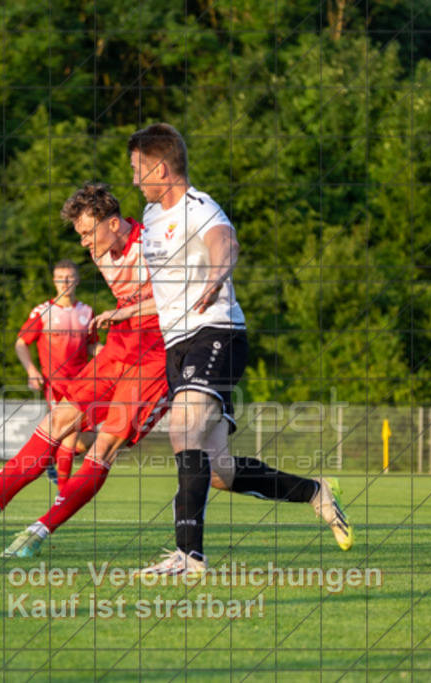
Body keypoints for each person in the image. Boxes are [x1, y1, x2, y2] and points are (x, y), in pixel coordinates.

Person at [128, 123, 354, 575]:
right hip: (178, 346)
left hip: (216, 334)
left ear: (160, 168)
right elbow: (171, 289)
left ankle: (188, 556)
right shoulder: (151, 218)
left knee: (182, 430)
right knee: (217, 471)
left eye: (137, 169)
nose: (134, 179)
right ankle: (315, 492)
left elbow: (225, 243)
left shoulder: (200, 207)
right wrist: (125, 311)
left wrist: (217, 277)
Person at [0, 183, 169, 558]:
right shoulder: (100, 252)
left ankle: (38, 532)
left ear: (113, 223)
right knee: (57, 421)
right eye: (80, 235)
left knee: (105, 445)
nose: (84, 243)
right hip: (121, 345)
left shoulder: (156, 243)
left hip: (158, 354)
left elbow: (183, 298)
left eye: (88, 232)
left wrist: (124, 312)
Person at [15, 259, 98, 487]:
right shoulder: (43, 311)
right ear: (54, 281)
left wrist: (116, 357)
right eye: (60, 278)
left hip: (82, 384)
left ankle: (50, 461)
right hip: (56, 384)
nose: (65, 282)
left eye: (69, 277)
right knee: (70, 434)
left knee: (89, 438)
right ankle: (63, 493)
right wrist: (31, 370)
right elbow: (21, 342)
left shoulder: (87, 311)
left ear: (77, 280)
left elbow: (92, 346)